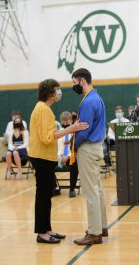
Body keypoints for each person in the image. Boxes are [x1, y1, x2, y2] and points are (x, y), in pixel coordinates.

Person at [29, 78, 89, 244]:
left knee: (47, 194)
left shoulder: (44, 109)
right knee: (43, 195)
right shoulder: (43, 110)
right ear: (49, 93)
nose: (58, 93)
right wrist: (71, 128)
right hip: (41, 157)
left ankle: (47, 229)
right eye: (56, 89)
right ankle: (41, 233)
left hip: (45, 157)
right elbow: (47, 138)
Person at [71, 68, 108, 245]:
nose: (73, 86)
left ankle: (94, 233)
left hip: (87, 148)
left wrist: (74, 146)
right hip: (97, 147)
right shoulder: (97, 97)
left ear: (82, 81)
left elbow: (83, 129)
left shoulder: (88, 102)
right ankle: (101, 226)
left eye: (74, 83)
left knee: (90, 190)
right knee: (97, 188)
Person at [56, 111, 79, 198]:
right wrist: (60, 156)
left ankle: (72, 189)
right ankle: (55, 188)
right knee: (47, 163)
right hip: (60, 156)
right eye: (63, 120)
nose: (64, 122)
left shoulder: (75, 132)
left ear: (71, 121)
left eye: (66, 120)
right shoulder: (59, 132)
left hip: (71, 156)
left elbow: (75, 148)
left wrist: (68, 156)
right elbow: (58, 147)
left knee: (74, 162)